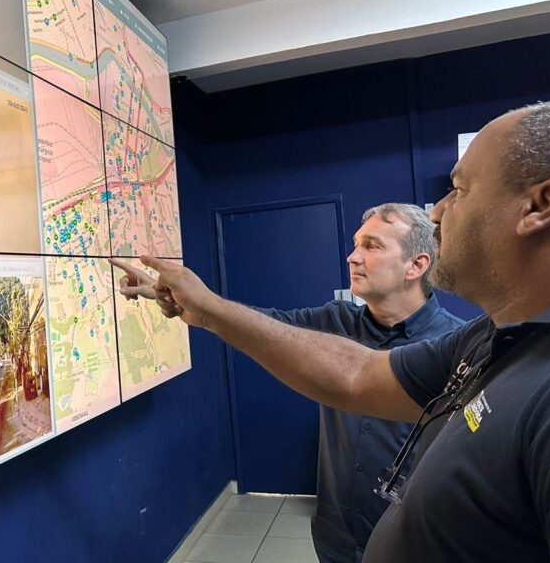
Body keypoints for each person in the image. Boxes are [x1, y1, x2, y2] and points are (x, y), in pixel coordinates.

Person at [123, 97, 550, 562]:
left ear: (541, 205)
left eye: (460, 189)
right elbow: (357, 375)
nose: (439, 211)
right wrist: (206, 309)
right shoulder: (492, 338)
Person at [113, 203, 462, 563]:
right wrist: (186, 301)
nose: (352, 257)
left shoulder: (456, 348)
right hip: (336, 536)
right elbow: (265, 326)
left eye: (372, 246)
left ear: (416, 265)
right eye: (356, 244)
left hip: (411, 543)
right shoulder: (336, 320)